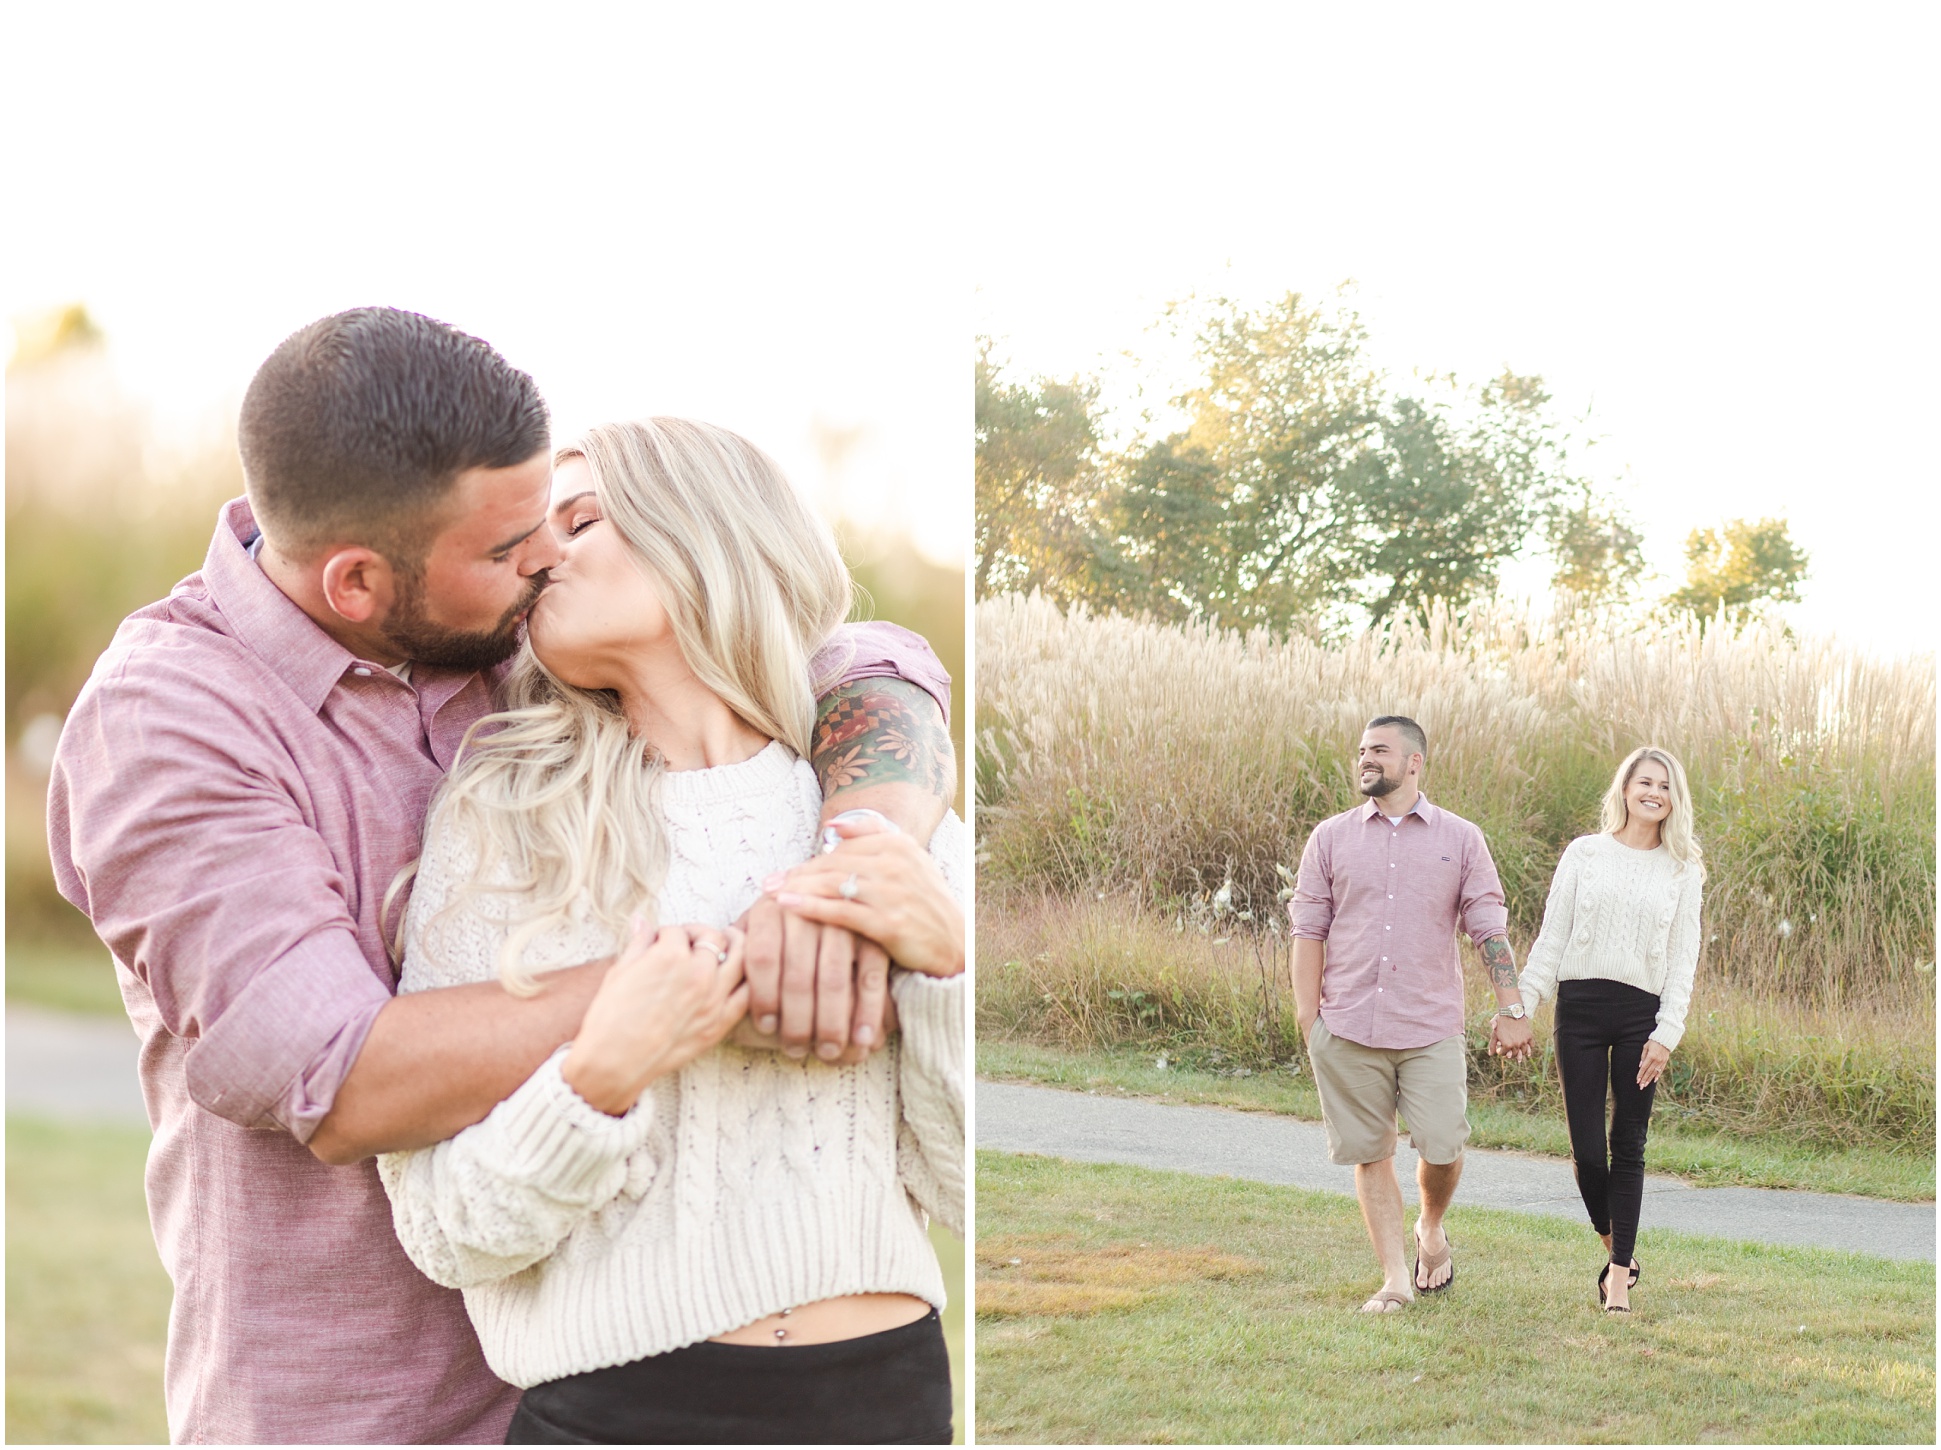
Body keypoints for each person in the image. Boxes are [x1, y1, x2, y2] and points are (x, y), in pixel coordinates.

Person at [44, 308, 957, 1444]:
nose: (542, 560)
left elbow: (855, 658)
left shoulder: (521, 633)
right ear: (360, 584)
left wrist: (861, 865)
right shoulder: (170, 725)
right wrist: (712, 968)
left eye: (557, 523)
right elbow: (341, 1080)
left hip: (622, 1376)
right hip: (359, 1407)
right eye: (511, 547)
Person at [378, 419, 964, 1444]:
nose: (539, 554)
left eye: (582, 517)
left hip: (886, 1402)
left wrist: (946, 971)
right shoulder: (503, 822)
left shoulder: (887, 818)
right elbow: (442, 1230)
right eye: (529, 536)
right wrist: (597, 1075)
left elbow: (966, 1188)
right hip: (617, 1413)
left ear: (706, 532)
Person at [1288, 715, 1534, 1314]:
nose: (1365, 759)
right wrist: (1307, 1019)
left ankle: (1430, 1226)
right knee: (1371, 1151)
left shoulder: (1462, 838)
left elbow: (1488, 929)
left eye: (1379, 750)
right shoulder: (1330, 838)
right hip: (1347, 1025)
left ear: (1414, 762)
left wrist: (1512, 1006)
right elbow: (1307, 929)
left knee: (1443, 1144)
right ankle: (1396, 1278)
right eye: (1361, 750)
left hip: (1429, 1027)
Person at [1515, 746, 1704, 1314]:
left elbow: (1682, 957)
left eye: (1665, 786)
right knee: (1588, 1153)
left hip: (1639, 1017)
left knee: (1629, 1145)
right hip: (1578, 1009)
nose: (1654, 792)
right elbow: (1551, 940)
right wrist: (1521, 1006)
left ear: (1675, 801)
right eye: (1644, 781)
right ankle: (1617, 1244)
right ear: (1624, 789)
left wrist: (1668, 1032)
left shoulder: (1683, 869)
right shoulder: (1584, 854)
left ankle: (1618, 1277)